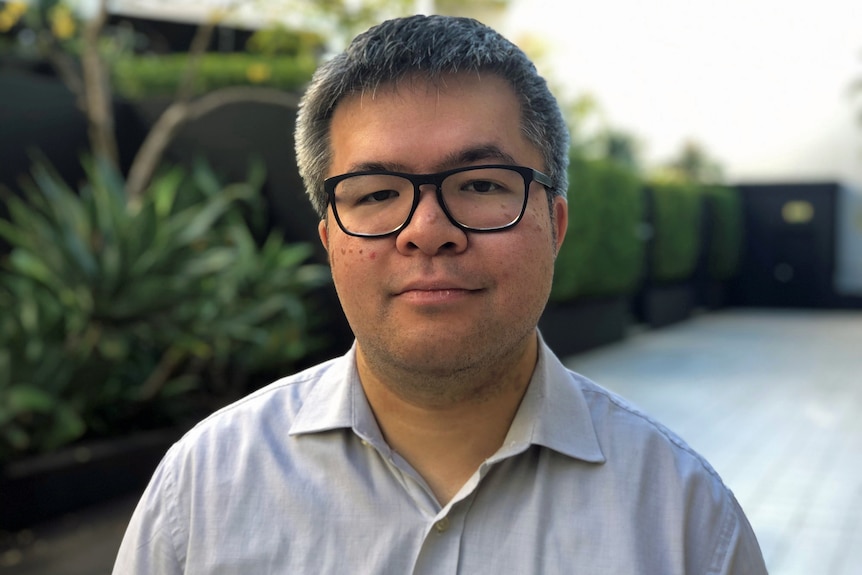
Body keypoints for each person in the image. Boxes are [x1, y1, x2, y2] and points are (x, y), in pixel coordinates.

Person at [113, 14, 767, 574]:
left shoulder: (685, 521)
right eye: (375, 194)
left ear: (554, 225)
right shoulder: (199, 494)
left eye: (480, 185)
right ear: (329, 239)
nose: (428, 231)